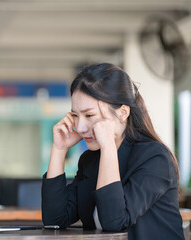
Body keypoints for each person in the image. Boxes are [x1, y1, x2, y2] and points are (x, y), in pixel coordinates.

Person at [42, 63, 184, 240]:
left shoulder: (155, 157)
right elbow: (54, 220)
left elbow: (114, 222)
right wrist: (59, 149)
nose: (80, 127)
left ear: (122, 113)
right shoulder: (90, 160)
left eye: (90, 115)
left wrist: (108, 145)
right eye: (75, 116)